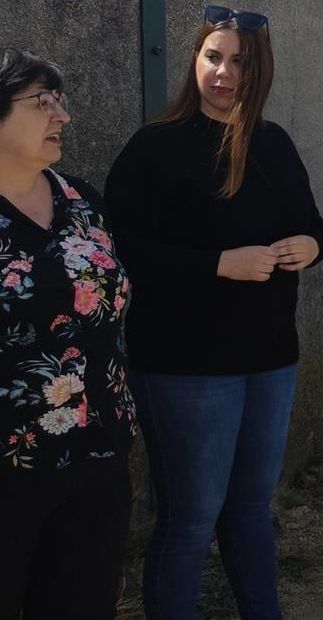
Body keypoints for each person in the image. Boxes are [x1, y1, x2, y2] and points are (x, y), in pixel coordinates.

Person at [105, 5, 323, 620]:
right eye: (213, 57)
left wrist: (310, 247)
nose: (224, 72)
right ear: (194, 60)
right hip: (185, 367)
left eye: (239, 61)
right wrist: (216, 264)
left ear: (261, 70)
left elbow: (314, 228)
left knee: (252, 509)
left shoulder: (275, 144)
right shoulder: (156, 148)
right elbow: (121, 250)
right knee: (189, 521)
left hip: (270, 360)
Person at [0, 48, 134, 619]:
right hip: (11, 467)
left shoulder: (82, 201)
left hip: (97, 454)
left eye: (61, 100)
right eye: (42, 102)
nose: (62, 115)